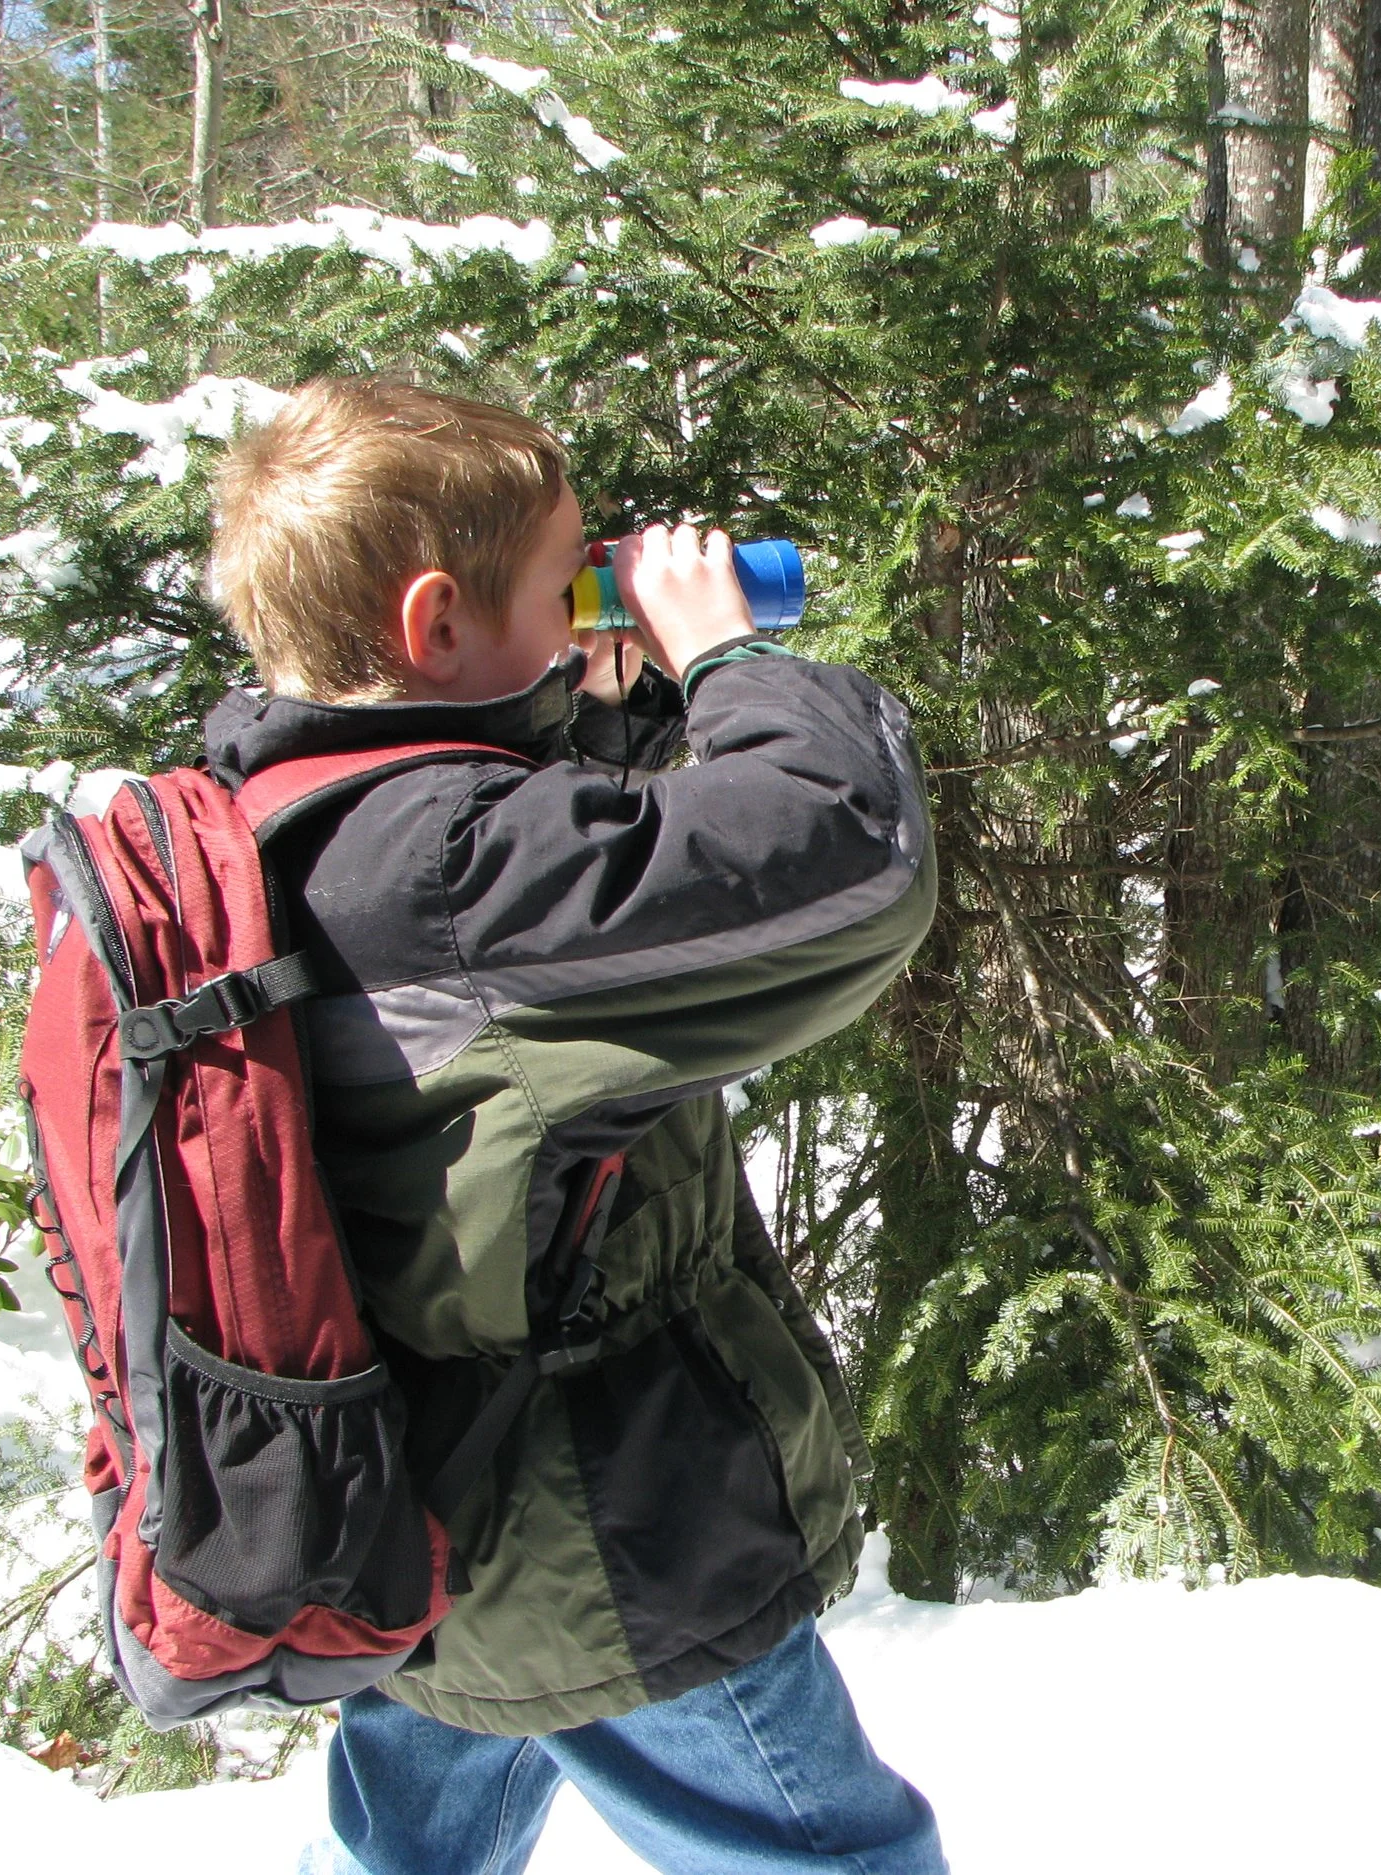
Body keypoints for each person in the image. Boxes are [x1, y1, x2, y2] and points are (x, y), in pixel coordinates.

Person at [200, 376, 944, 1875]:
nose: (590, 596)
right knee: (836, 1855)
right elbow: (850, 856)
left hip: (425, 1493)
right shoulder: (455, 876)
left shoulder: (296, 818)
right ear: (436, 626)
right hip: (600, 1520)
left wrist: (595, 698)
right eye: (564, 578)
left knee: (409, 1848)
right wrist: (729, 654)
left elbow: (543, 965)